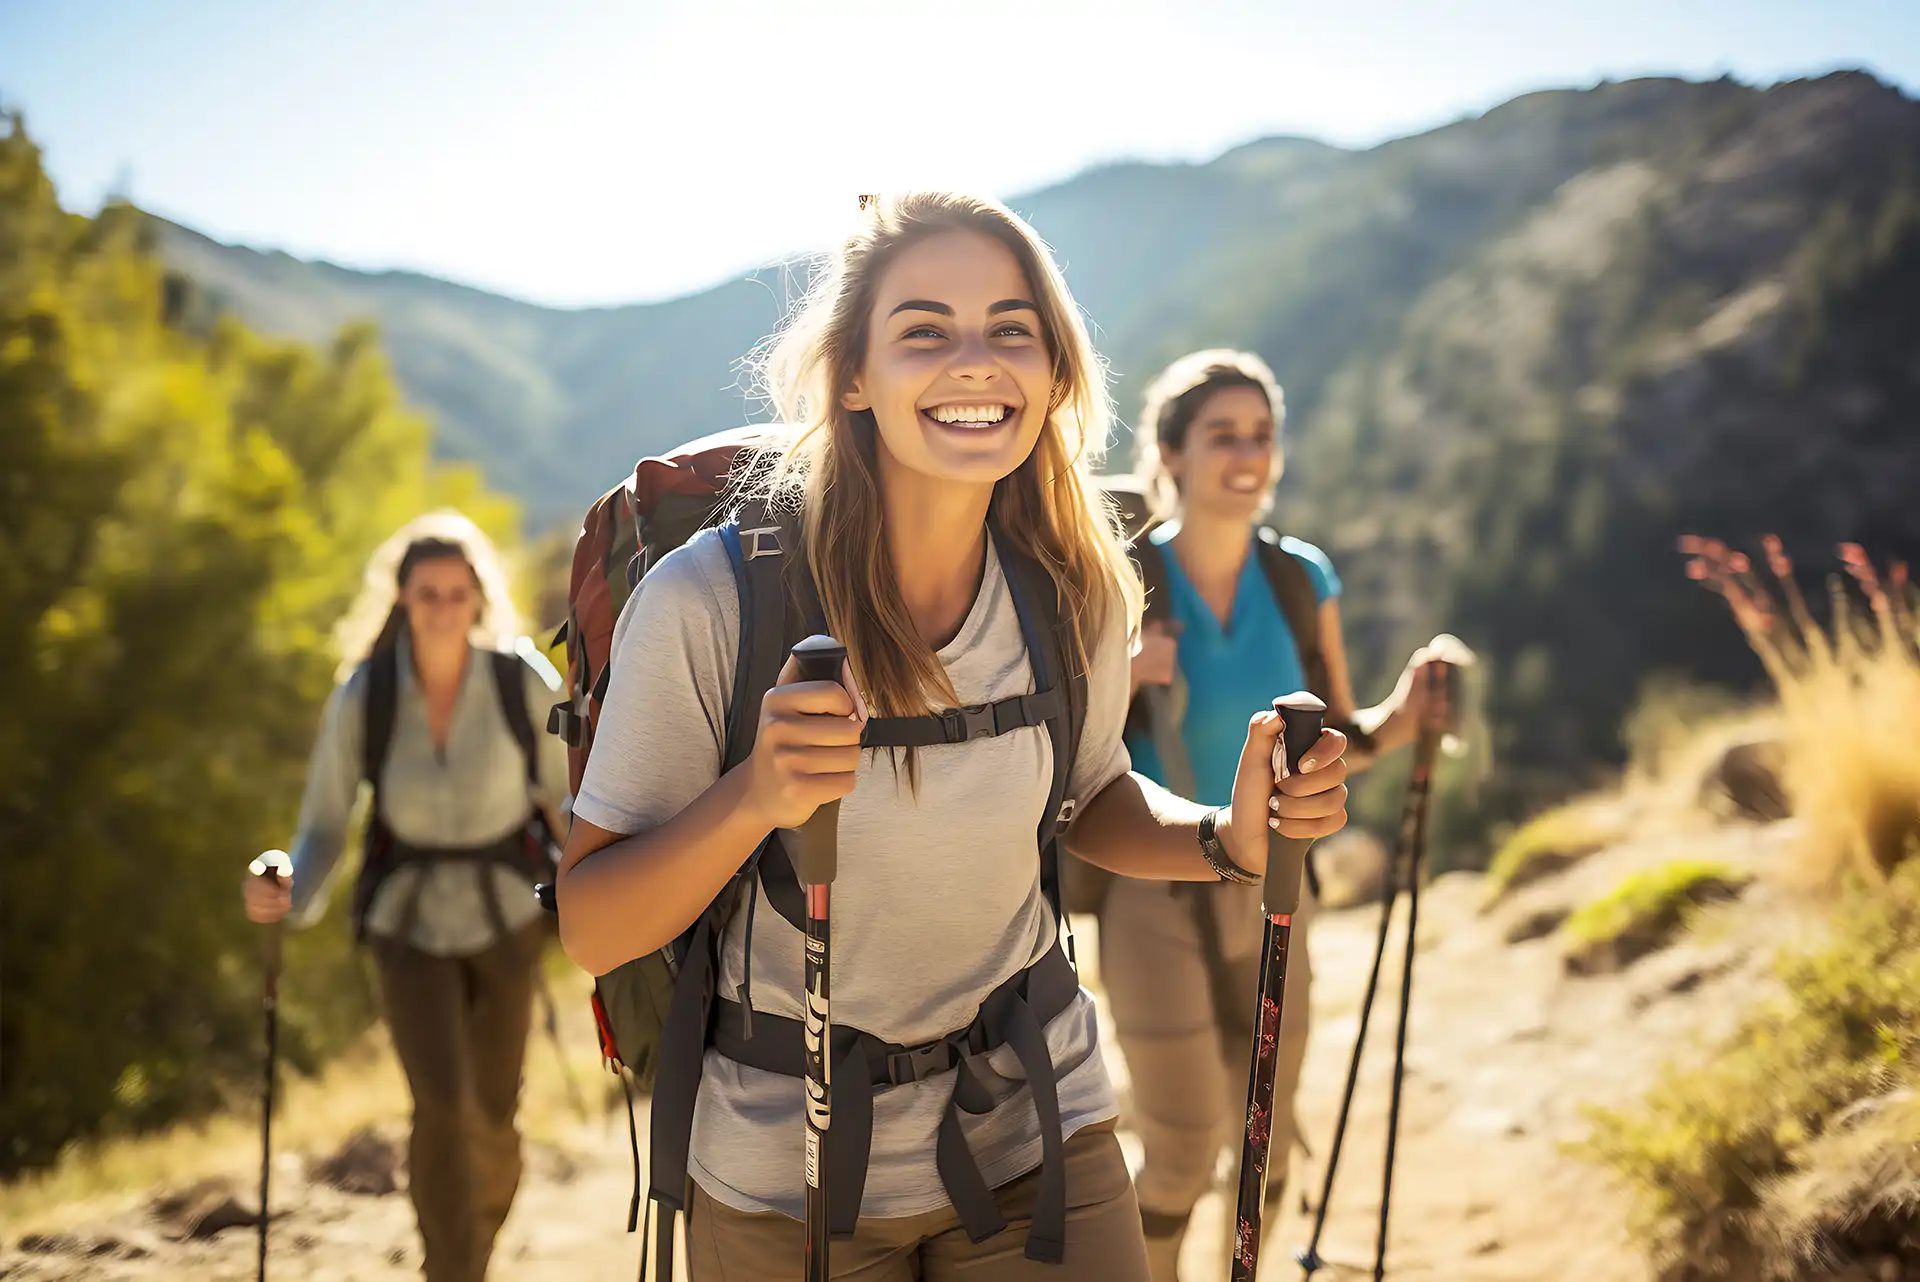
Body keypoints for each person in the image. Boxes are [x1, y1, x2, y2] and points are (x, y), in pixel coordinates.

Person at [552, 191, 1353, 1281]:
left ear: (1055, 373)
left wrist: (1227, 838)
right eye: (924, 332)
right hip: (787, 1176)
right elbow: (595, 927)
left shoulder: (1072, 587)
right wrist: (755, 797)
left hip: (1039, 1128)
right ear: (851, 376)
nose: (975, 362)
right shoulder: (715, 602)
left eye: (1011, 330)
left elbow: (1089, 793)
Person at [1103, 348, 1465, 1281]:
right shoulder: (1119, 578)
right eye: (1222, 435)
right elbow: (1066, 749)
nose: (1247, 454)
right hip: (1152, 886)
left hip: (1276, 883)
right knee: (1181, 1149)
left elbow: (1341, 734)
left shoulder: (1301, 577)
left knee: (1268, 1139)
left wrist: (1407, 713)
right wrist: (1123, 674)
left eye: (1261, 435)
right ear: (1171, 452)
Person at [242, 510, 571, 1282]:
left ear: (479, 597)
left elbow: (568, 800)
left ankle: (473, 1248)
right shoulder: (367, 693)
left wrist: (602, 888)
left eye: (458, 593)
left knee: (494, 1116)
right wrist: (285, 884)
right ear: (402, 598)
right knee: (442, 1106)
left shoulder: (523, 680)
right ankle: (450, 1269)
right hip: (406, 925)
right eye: (428, 594)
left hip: (509, 918)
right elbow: (323, 826)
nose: (444, 608)